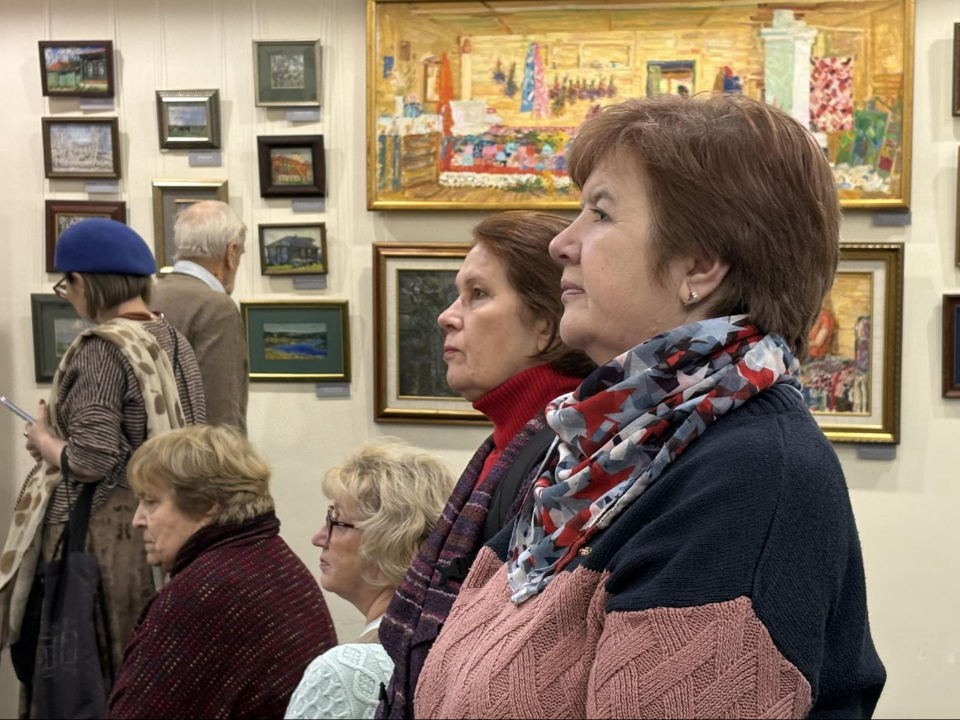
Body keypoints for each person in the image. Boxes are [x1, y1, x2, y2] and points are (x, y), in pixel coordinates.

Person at [413, 94, 886, 719]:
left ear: (700, 265)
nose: (562, 243)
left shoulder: (749, 478)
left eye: (600, 214)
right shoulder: (598, 455)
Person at [378, 211, 595, 719]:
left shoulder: (564, 457)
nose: (447, 316)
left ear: (545, 326)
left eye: (478, 294)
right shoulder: (511, 442)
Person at [0, 218, 206, 716]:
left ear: (83, 281)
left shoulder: (100, 350)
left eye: (65, 284)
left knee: (85, 686)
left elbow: (91, 459)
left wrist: (44, 440)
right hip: (164, 529)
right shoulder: (172, 339)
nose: (67, 295)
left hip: (100, 544)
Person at [108, 425, 338, 719]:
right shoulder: (271, 557)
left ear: (207, 505)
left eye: (151, 502)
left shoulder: (205, 593)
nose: (137, 520)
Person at [286, 441, 454, 720]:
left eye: (336, 522)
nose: (318, 538)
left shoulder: (343, 671)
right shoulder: (449, 639)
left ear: (389, 542)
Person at [152, 200, 249, 430]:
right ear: (231, 252)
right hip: (195, 450)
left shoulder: (149, 295)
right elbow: (220, 414)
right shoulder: (217, 308)